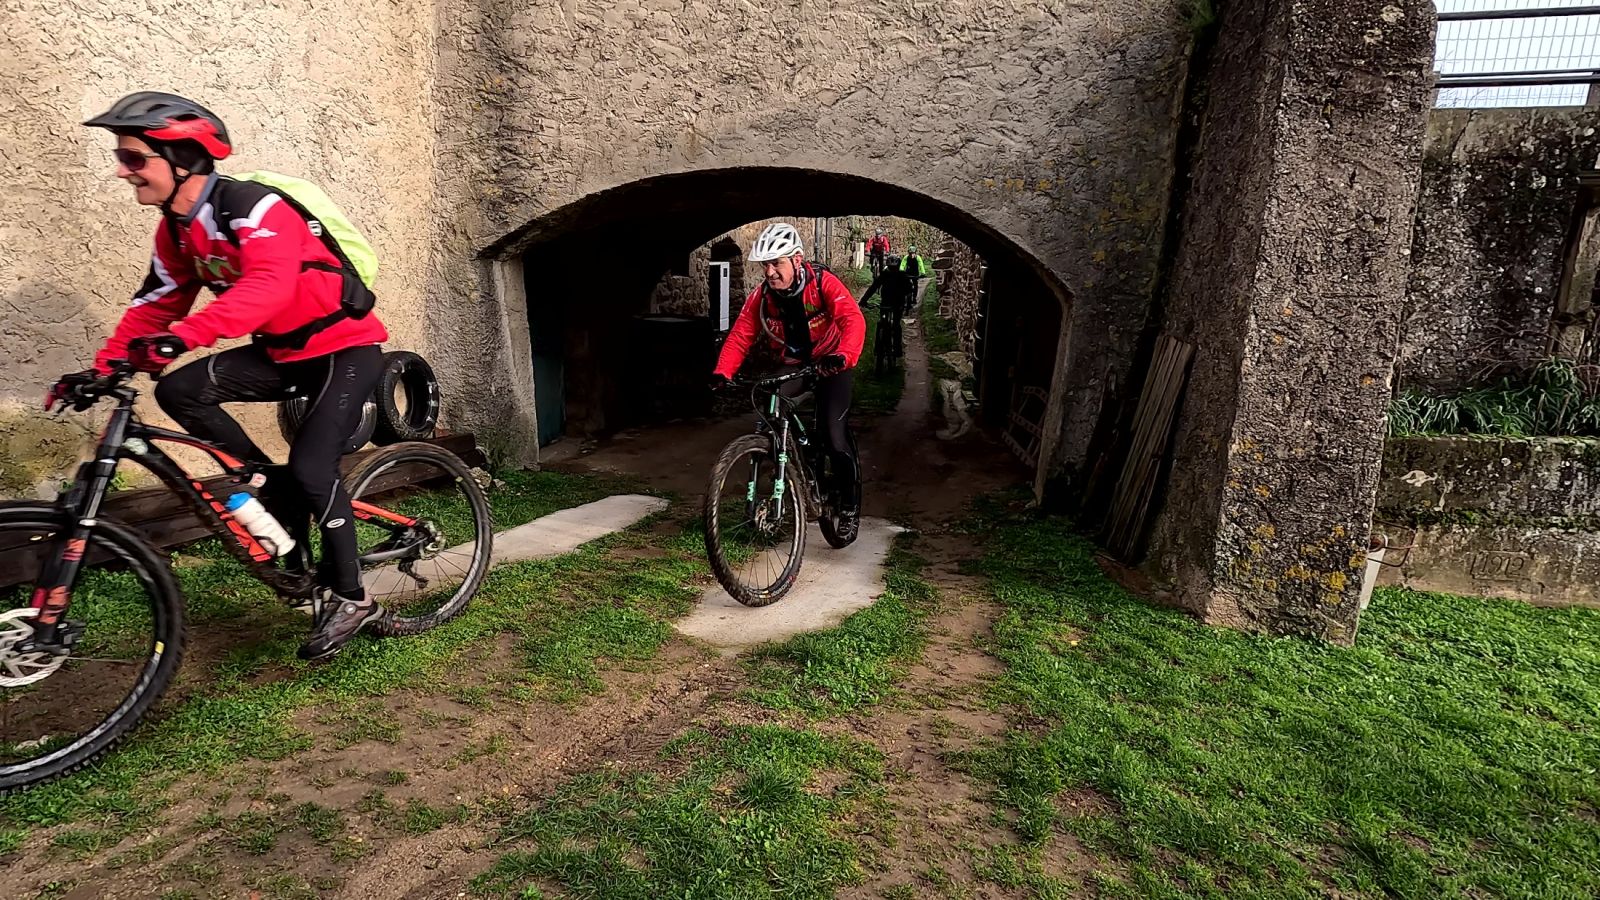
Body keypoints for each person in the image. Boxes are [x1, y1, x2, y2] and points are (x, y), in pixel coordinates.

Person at [53, 91, 390, 661]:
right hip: (281, 354)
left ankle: (353, 597)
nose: (122, 171)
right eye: (120, 158)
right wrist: (103, 368)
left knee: (313, 466)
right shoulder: (177, 231)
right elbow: (155, 306)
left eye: (133, 158)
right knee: (179, 389)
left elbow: (267, 287)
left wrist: (184, 336)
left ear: (182, 158)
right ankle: (268, 480)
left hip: (344, 350)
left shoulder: (252, 207)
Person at [711, 223, 866, 538]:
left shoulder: (822, 283)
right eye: (765, 265)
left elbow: (852, 320)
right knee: (772, 409)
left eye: (776, 263)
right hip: (795, 363)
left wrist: (843, 356)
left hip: (832, 362)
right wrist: (723, 371)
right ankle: (792, 468)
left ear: (796, 260)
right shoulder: (762, 297)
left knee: (834, 438)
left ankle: (849, 505)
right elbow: (741, 334)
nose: (769, 272)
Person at [860, 253, 912, 362]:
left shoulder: (885, 274)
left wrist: (864, 300)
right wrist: (907, 304)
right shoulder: (902, 275)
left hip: (888, 304)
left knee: (887, 324)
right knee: (895, 325)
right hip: (896, 304)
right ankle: (897, 349)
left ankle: (883, 349)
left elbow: (873, 288)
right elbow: (909, 290)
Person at [899, 245, 932, 317]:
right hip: (908, 273)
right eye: (910, 253)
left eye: (913, 253)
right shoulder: (906, 257)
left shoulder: (918, 258)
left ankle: (914, 297)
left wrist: (923, 273)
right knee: (905, 285)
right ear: (908, 253)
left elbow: (921, 265)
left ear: (915, 253)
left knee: (915, 284)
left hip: (915, 273)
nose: (912, 255)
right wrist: (901, 270)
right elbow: (902, 264)